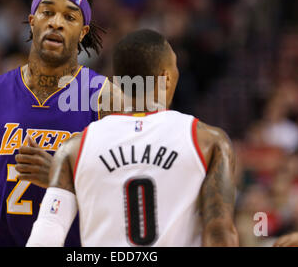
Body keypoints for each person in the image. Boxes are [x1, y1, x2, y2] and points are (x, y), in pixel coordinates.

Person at [26, 29, 239, 247]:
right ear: (166, 77)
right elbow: (220, 231)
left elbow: (47, 233)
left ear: (116, 82)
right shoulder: (207, 141)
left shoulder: (74, 148)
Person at [0, 0, 112, 247]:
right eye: (47, 12)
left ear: (83, 32)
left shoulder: (106, 100)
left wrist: (61, 176)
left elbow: (124, 190)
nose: (56, 22)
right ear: (32, 20)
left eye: (70, 17)